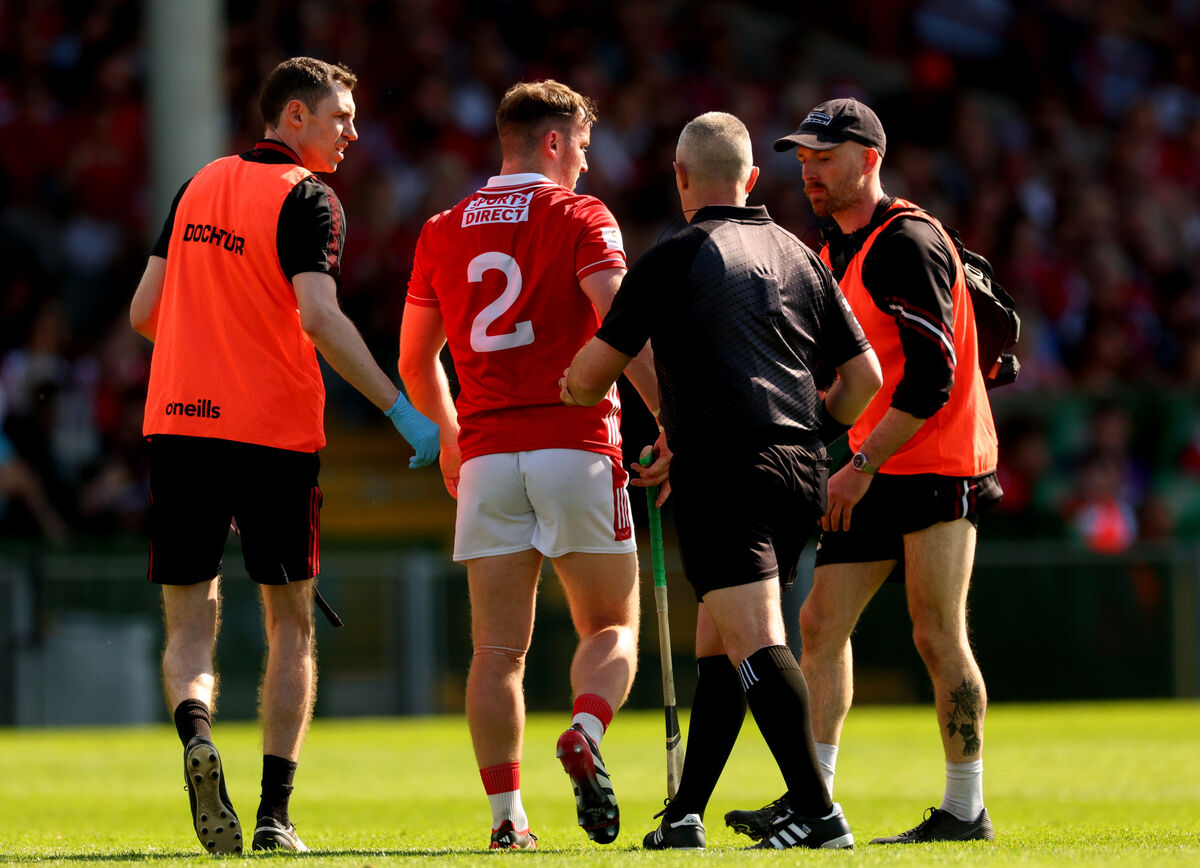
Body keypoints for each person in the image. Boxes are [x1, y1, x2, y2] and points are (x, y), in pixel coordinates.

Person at [129, 57, 439, 855]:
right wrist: (400, 409)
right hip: (271, 433)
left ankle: (196, 733)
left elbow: (143, 312)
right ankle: (273, 816)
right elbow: (320, 318)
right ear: (292, 118)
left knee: (190, 619)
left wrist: (212, 345)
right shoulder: (309, 198)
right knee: (291, 622)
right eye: (340, 116)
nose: (352, 132)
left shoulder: (197, 185)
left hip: (180, 425)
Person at [562, 111, 882, 851]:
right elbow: (864, 380)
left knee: (756, 639)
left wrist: (572, 384)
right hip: (803, 469)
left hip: (724, 471)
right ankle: (684, 815)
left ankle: (819, 812)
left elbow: (591, 376)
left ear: (681, 178)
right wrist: (809, 427)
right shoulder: (803, 256)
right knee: (720, 644)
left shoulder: (673, 255)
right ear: (750, 179)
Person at [725, 97, 1003, 844]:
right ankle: (815, 805)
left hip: (936, 460)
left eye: (825, 158)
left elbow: (932, 379)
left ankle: (964, 809)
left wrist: (859, 465)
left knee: (936, 632)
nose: (809, 172)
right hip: (871, 463)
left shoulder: (905, 241)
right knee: (819, 626)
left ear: (869, 160)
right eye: (804, 161)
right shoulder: (832, 248)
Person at [398, 79, 665, 851]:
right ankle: (585, 727)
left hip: (484, 456)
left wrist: (449, 435)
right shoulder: (581, 215)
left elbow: (417, 361)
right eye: (580, 145)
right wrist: (670, 418)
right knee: (611, 623)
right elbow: (622, 319)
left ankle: (507, 821)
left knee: (496, 651)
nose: (585, 161)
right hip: (574, 443)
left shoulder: (443, 228)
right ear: (552, 142)